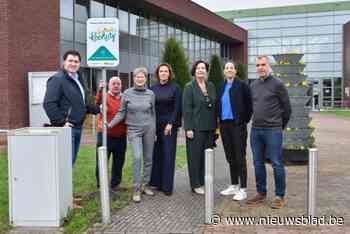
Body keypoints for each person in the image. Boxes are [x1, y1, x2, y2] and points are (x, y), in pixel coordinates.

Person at [247, 55, 291, 209]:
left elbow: (287, 109)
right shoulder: (253, 85)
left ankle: (279, 196)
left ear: (269, 66)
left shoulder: (278, 84)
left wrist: (279, 126)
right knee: (257, 163)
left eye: (263, 64)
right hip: (256, 130)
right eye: (258, 65)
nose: (260, 67)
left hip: (273, 130)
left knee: (276, 163)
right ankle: (261, 193)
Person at [43, 50, 99, 165]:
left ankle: (65, 183)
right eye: (70, 61)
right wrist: (61, 122)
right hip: (66, 128)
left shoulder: (78, 79)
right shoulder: (57, 79)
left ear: (79, 64)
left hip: (77, 127)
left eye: (76, 61)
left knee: (70, 162)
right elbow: (49, 103)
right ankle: (59, 184)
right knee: (65, 163)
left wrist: (98, 109)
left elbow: (81, 103)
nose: (73, 64)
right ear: (64, 62)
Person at [108, 67, 156, 203]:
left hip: (149, 129)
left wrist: (154, 130)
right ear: (133, 78)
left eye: (142, 77)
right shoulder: (127, 94)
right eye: (137, 77)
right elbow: (121, 112)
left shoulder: (151, 94)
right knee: (136, 157)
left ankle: (145, 185)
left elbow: (153, 114)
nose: (140, 79)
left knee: (148, 158)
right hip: (133, 130)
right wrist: (110, 124)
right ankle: (136, 188)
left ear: (146, 78)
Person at [217, 61, 252, 201]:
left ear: (235, 71)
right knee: (230, 156)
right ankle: (234, 185)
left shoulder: (242, 85)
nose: (229, 70)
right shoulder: (221, 86)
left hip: (238, 125)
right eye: (227, 68)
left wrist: (243, 120)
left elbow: (249, 105)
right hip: (224, 126)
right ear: (224, 72)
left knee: (240, 157)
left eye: (232, 68)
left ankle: (243, 189)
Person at [183, 60, 216, 195]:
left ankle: (203, 181)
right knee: (194, 157)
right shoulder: (189, 87)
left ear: (206, 71)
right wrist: (188, 128)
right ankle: (195, 184)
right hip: (195, 128)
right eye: (198, 68)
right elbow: (186, 109)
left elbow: (214, 105)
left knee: (206, 157)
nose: (201, 70)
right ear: (194, 71)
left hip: (209, 127)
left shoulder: (211, 85)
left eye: (203, 68)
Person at [149, 63, 182, 196]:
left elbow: (177, 107)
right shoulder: (152, 88)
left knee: (168, 155)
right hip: (155, 126)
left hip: (169, 126)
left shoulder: (175, 88)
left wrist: (171, 123)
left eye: (166, 71)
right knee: (156, 154)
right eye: (161, 71)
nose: (163, 73)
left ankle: (167, 187)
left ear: (169, 73)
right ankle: (156, 183)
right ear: (158, 74)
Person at [95, 77, 127, 191]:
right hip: (105, 135)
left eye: (118, 83)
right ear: (109, 85)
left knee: (119, 161)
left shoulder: (124, 98)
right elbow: (96, 103)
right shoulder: (104, 96)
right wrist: (100, 90)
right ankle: (101, 185)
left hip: (121, 135)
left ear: (121, 86)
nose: (116, 85)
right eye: (114, 83)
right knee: (102, 161)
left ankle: (115, 184)